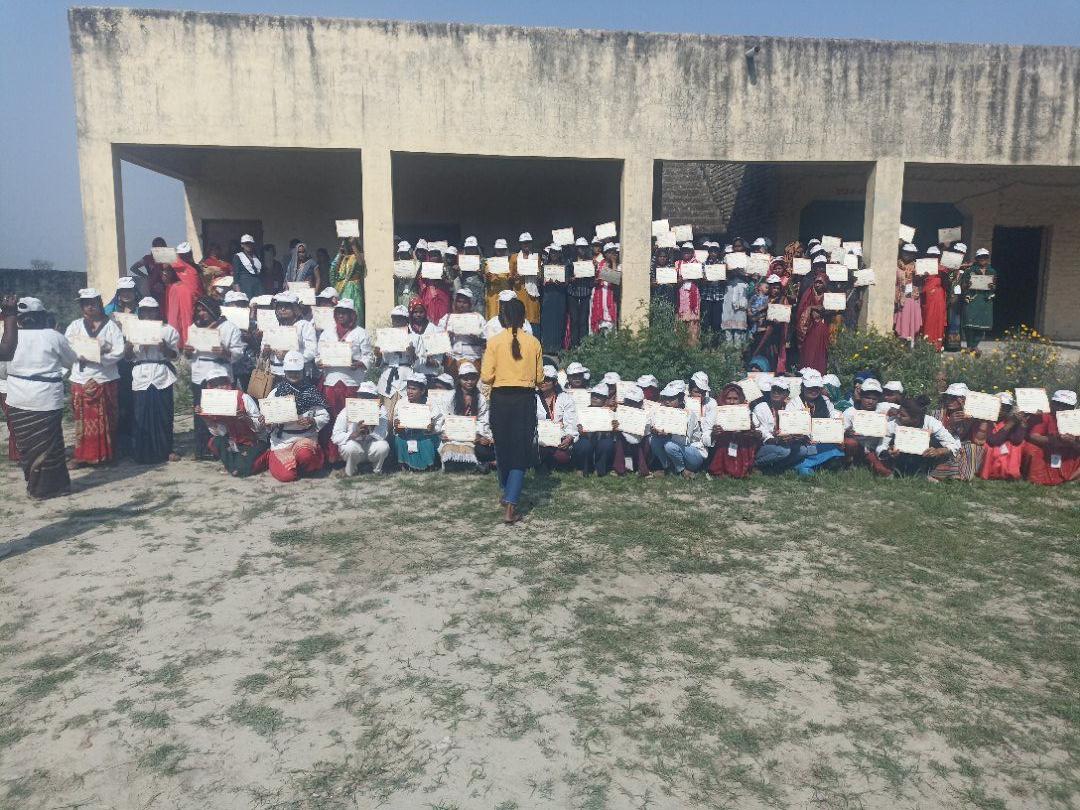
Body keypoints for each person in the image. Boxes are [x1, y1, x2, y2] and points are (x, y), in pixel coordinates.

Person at [1, 296, 77, 498]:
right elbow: (70, 361)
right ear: (42, 316)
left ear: (19, 318)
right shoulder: (53, 336)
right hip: (46, 397)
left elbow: (2, 371)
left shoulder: (8, 337)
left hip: (18, 396)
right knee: (51, 444)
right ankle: (53, 487)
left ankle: (35, 486)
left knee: (28, 446)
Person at [481, 297, 544, 524]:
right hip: (524, 401)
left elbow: (486, 376)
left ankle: (507, 494)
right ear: (524, 318)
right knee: (519, 452)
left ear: (503, 318)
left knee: (503, 447)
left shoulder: (494, 342)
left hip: (500, 400)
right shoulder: (534, 343)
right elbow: (539, 378)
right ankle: (510, 504)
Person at [66, 288, 125, 467]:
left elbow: (119, 350)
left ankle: (108, 455)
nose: (89, 307)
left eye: (93, 303)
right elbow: (67, 346)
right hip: (81, 376)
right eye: (85, 304)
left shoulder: (111, 326)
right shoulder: (75, 326)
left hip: (104, 376)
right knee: (82, 419)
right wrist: (81, 354)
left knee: (108, 417)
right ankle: (82, 456)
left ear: (100, 304)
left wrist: (100, 356)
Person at [183, 296, 245, 460]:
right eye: (198, 310)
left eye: (204, 310)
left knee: (222, 411)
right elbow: (189, 354)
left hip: (220, 372)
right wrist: (187, 351)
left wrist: (224, 352)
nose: (201, 313)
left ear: (212, 310)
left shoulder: (229, 327)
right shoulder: (194, 328)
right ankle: (203, 449)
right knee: (201, 412)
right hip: (199, 373)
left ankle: (224, 448)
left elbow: (238, 352)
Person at [316, 298, 373, 464]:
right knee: (331, 419)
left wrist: (359, 364)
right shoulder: (327, 333)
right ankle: (330, 456)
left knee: (351, 419)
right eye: (338, 313)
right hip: (331, 381)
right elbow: (318, 356)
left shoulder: (361, 333)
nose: (341, 316)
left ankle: (350, 455)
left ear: (352, 315)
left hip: (352, 382)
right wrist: (320, 362)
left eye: (345, 313)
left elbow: (369, 356)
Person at [126, 297, 180, 464]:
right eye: (144, 311)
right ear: (140, 313)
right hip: (141, 373)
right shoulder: (132, 330)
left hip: (161, 374)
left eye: (151, 311)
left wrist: (164, 348)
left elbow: (175, 356)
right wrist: (128, 347)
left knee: (163, 414)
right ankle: (141, 451)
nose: (148, 315)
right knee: (140, 414)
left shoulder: (168, 330)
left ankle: (166, 450)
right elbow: (128, 357)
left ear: (157, 312)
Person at [264, 351, 329, 482]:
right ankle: (284, 463)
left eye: (297, 371)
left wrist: (313, 420)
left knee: (306, 456)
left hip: (305, 437)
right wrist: (268, 422)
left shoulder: (312, 391)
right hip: (282, 440)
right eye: (290, 371)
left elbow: (324, 416)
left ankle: (303, 465)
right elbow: (268, 420)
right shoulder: (276, 393)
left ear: (303, 371)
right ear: (285, 371)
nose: (293, 374)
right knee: (287, 476)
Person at [199, 372, 270, 477]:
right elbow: (220, 433)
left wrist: (246, 418)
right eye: (215, 385)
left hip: (253, 440)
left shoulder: (243, 398)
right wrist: (207, 420)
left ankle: (262, 457)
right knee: (215, 442)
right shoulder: (213, 404)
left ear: (228, 383)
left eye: (222, 383)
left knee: (243, 468)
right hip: (233, 441)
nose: (220, 388)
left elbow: (260, 427)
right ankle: (235, 466)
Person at [877, 396, 961, 478]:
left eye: (902, 415)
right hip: (900, 459)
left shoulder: (932, 423)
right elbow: (881, 446)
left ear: (915, 418)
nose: (898, 416)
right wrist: (888, 452)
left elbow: (953, 445)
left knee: (935, 443)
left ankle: (927, 472)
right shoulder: (893, 423)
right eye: (898, 412)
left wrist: (938, 451)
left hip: (926, 459)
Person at [438, 361, 494, 471]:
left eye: (472, 379)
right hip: (453, 436)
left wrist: (478, 435)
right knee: (450, 452)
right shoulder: (450, 397)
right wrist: (444, 432)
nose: (469, 382)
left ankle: (480, 464)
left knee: (481, 450)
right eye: (465, 379)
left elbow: (483, 421)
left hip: (472, 436)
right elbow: (444, 417)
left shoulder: (480, 398)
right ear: (459, 379)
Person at [331, 380, 391, 475]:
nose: (365, 399)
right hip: (355, 446)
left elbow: (383, 435)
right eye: (362, 396)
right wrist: (354, 434)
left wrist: (372, 429)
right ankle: (351, 470)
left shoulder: (382, 412)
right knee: (350, 447)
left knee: (383, 446)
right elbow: (335, 437)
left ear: (375, 398)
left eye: (369, 396)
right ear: (358, 396)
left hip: (370, 446)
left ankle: (376, 470)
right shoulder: (346, 410)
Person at [753, 378, 814, 473]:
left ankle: (776, 468)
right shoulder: (761, 407)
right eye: (774, 389)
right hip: (764, 445)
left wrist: (798, 436)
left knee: (802, 450)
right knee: (783, 451)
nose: (776, 392)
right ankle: (754, 465)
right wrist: (775, 439)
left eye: (780, 390)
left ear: (786, 394)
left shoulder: (791, 407)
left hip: (785, 443)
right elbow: (761, 430)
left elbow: (799, 426)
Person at [1021, 390, 1080, 485]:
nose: (1061, 408)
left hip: (1068, 453)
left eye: (1066, 405)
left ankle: (1072, 479)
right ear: (1052, 404)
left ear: (1072, 408)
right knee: (1031, 449)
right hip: (1047, 451)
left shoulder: (1076, 419)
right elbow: (1033, 437)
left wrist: (1073, 442)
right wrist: (1056, 439)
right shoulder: (1044, 416)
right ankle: (1035, 477)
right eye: (1058, 404)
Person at [649, 383, 707, 477]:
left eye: (671, 398)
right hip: (675, 451)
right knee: (653, 440)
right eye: (666, 397)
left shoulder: (688, 414)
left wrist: (669, 435)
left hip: (692, 453)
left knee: (669, 445)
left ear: (680, 399)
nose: (667, 401)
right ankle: (667, 468)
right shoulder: (661, 412)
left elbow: (686, 441)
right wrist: (655, 431)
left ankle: (682, 470)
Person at [260, 292, 317, 380]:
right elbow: (263, 349)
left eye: (287, 307)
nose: (282, 309)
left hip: (297, 375)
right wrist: (266, 351)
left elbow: (312, 351)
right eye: (280, 307)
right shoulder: (271, 326)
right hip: (274, 374)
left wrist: (290, 356)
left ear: (295, 309)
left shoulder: (304, 325)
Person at [707, 383, 759, 478]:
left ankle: (745, 469)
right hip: (722, 444)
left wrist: (752, 430)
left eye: (735, 399)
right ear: (724, 398)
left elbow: (758, 430)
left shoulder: (746, 412)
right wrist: (714, 433)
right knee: (725, 439)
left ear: (740, 399)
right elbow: (706, 434)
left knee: (748, 439)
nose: (732, 402)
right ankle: (721, 469)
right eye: (729, 398)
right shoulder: (716, 412)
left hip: (741, 444)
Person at [392, 372, 442, 471]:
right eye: (408, 388)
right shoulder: (401, 403)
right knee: (399, 439)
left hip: (425, 435)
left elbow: (438, 423)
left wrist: (432, 428)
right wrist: (397, 426)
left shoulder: (430, 403)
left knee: (427, 441)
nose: (409, 392)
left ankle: (428, 466)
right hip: (407, 434)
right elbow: (396, 426)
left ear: (422, 391)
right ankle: (404, 465)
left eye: (413, 389)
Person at [842, 378, 891, 475]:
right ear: (861, 396)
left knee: (884, 471)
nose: (870, 401)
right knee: (850, 443)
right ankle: (848, 463)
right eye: (867, 398)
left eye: (874, 399)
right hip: (856, 446)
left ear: (878, 399)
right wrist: (846, 432)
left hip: (873, 448)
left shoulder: (882, 409)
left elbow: (904, 407)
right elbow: (839, 432)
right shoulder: (850, 412)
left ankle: (869, 462)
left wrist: (896, 411)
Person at [535, 364, 578, 471]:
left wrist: (569, 438)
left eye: (547, 380)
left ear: (554, 382)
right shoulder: (532, 398)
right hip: (538, 437)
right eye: (541, 379)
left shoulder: (566, 399)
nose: (543, 382)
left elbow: (571, 422)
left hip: (558, 438)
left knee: (562, 457)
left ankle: (552, 462)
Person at [980, 392, 1026, 481]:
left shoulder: (1009, 420)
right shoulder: (988, 420)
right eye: (1000, 406)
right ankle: (989, 472)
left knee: (1015, 447)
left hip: (1003, 448)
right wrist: (1010, 424)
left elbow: (1017, 440)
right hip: (991, 446)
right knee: (990, 447)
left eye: (1006, 407)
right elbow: (993, 441)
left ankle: (1010, 473)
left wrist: (1021, 424)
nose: (1002, 409)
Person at [573, 383, 617, 476]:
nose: (595, 398)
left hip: (603, 438)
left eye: (599, 396)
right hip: (586, 437)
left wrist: (614, 428)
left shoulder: (610, 412)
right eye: (593, 395)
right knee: (583, 444)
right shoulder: (583, 411)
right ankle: (583, 468)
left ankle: (600, 469)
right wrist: (579, 429)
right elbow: (575, 427)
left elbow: (614, 432)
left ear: (605, 399)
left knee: (607, 444)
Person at [165, 243, 204, 345]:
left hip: (191, 301)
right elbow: (166, 277)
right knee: (175, 322)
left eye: (186, 254)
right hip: (177, 299)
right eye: (181, 255)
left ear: (190, 254)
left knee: (189, 323)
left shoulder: (195, 269)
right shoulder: (174, 267)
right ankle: (176, 345)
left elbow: (199, 288)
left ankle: (188, 345)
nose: (184, 257)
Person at [437, 290, 486, 367]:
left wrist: (476, 339)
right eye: (459, 302)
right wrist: (447, 337)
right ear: (455, 302)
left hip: (473, 359)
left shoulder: (478, 318)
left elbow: (486, 342)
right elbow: (438, 342)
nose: (461, 305)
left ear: (470, 304)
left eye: (465, 302)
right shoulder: (447, 318)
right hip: (452, 359)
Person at [795, 272, 829, 373]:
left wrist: (824, 310)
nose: (817, 285)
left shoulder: (829, 296)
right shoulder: (808, 294)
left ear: (825, 283)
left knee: (820, 352)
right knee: (808, 352)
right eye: (816, 282)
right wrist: (811, 308)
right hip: (810, 328)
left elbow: (834, 309)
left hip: (823, 327)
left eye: (820, 282)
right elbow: (801, 309)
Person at [962, 248, 996, 350]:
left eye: (985, 257)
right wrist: (968, 285)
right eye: (980, 257)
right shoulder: (969, 271)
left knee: (982, 325)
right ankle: (969, 345)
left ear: (987, 258)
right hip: (972, 299)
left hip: (985, 300)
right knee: (969, 324)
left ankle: (975, 345)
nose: (982, 259)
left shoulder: (992, 271)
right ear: (976, 258)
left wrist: (992, 286)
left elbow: (994, 286)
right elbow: (963, 286)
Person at [612, 383, 650, 476]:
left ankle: (642, 468)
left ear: (640, 403)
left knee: (644, 442)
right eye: (628, 401)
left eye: (634, 402)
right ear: (625, 401)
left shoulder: (646, 414)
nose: (631, 405)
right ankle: (619, 469)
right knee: (619, 439)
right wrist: (615, 427)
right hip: (623, 439)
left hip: (639, 439)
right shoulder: (619, 411)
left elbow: (645, 433)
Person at [330, 237, 366, 324]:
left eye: (347, 243)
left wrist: (353, 245)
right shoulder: (343, 257)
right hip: (342, 288)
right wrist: (340, 254)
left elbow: (361, 263)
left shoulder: (358, 255)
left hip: (353, 288)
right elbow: (334, 270)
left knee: (354, 310)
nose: (346, 245)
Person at [566, 238, 594, 348]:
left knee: (583, 320)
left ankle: (583, 345)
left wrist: (592, 271)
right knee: (574, 319)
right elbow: (565, 277)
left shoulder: (590, 262)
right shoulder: (570, 261)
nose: (581, 250)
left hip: (585, 293)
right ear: (576, 248)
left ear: (586, 249)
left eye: (583, 247)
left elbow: (593, 279)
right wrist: (571, 279)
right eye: (579, 247)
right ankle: (574, 345)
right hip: (573, 293)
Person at [540, 244, 568, 354]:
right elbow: (541, 281)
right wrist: (544, 281)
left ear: (559, 254)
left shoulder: (563, 267)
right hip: (548, 296)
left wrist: (561, 283)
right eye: (552, 252)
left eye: (556, 252)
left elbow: (566, 283)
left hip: (559, 296)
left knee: (559, 321)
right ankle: (547, 347)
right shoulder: (545, 266)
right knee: (547, 320)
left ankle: (557, 348)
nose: (554, 255)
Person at [920, 247, 947, 350]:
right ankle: (926, 344)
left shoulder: (943, 268)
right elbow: (918, 280)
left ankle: (937, 344)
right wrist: (922, 275)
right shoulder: (922, 266)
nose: (933, 257)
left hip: (938, 296)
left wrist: (945, 274)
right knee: (927, 318)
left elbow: (947, 283)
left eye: (935, 256)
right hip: (927, 295)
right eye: (931, 255)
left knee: (938, 318)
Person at [895, 243, 922, 344]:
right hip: (902, 296)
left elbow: (921, 283)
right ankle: (902, 340)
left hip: (913, 296)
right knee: (903, 318)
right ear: (902, 253)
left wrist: (920, 276)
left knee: (913, 318)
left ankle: (912, 342)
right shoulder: (898, 265)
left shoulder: (918, 266)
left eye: (911, 253)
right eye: (906, 253)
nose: (908, 255)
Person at [232, 234, 264, 299]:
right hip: (245, 285)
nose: (248, 245)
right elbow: (236, 275)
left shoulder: (256, 256)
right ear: (242, 245)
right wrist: (238, 291)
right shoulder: (238, 256)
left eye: (250, 243)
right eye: (246, 243)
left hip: (257, 286)